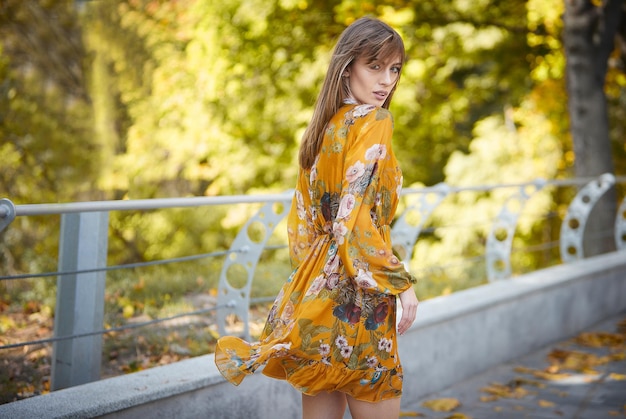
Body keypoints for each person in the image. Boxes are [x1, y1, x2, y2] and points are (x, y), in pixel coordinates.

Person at [215, 16, 419, 419]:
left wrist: (313, 290)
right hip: (362, 300)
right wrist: (399, 281)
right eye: (374, 66)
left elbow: (305, 224)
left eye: (394, 69)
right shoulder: (375, 122)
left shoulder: (322, 129)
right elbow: (353, 219)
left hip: (321, 295)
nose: (386, 80)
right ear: (347, 68)